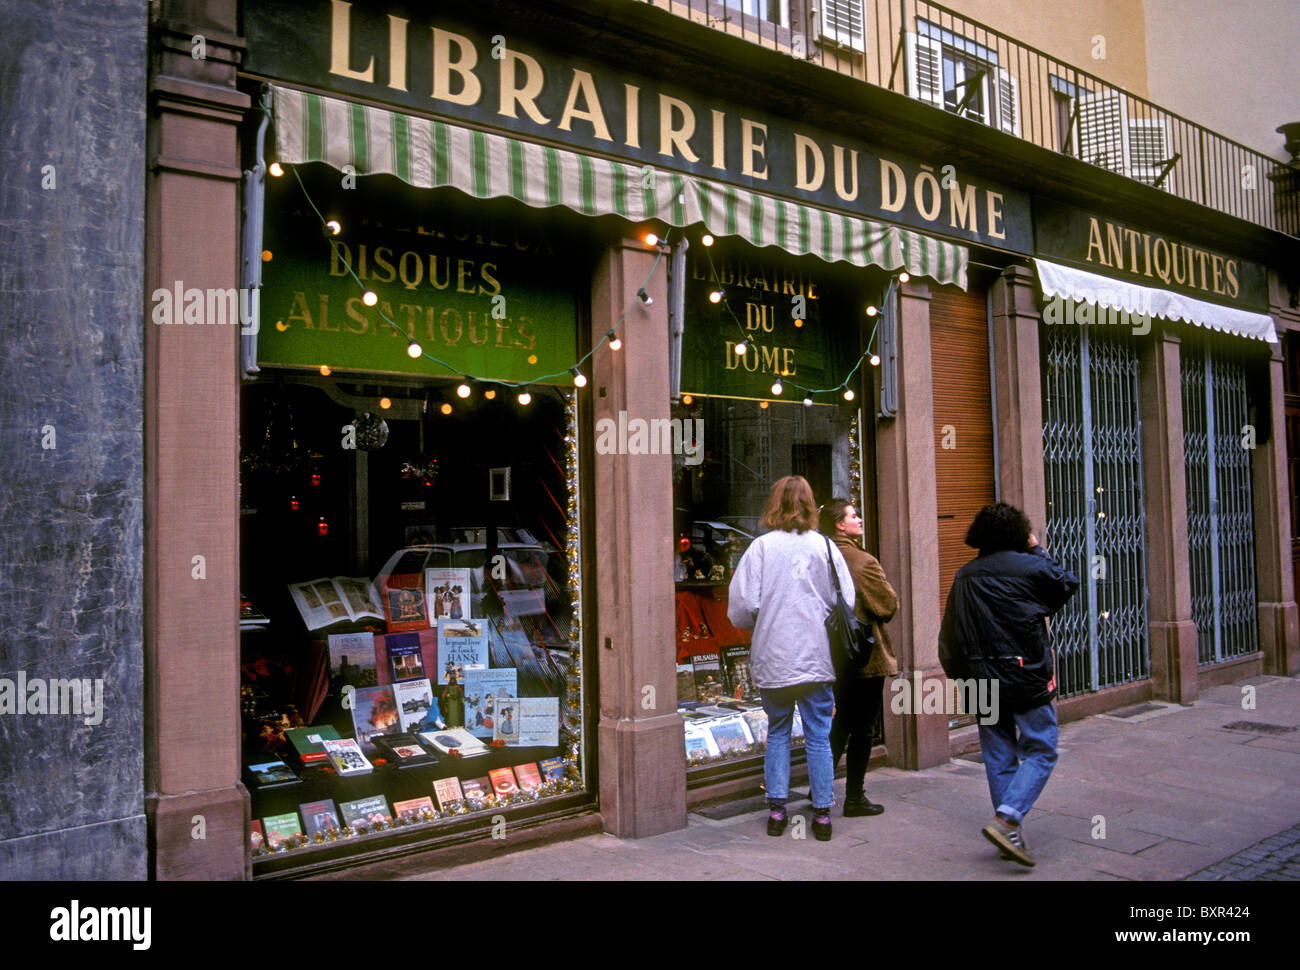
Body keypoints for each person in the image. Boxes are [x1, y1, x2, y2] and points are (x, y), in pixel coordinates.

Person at [938, 502, 1080, 868]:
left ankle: (1009, 829)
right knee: (1042, 748)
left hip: (981, 680)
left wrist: (961, 680)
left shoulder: (965, 575)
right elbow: (1066, 583)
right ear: (1019, 531)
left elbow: (949, 638)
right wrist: (1035, 547)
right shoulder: (1031, 568)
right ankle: (1007, 819)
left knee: (999, 755)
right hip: (1024, 675)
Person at [728, 476, 854, 842]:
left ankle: (777, 811)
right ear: (810, 504)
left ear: (775, 505)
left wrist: (766, 619)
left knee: (779, 733)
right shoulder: (825, 547)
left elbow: (743, 606)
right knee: (818, 736)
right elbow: (845, 600)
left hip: (774, 655)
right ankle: (822, 815)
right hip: (815, 656)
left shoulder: (761, 548)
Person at [820, 498, 898, 818]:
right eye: (853, 515)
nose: (859, 519)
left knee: (838, 724)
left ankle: (821, 787)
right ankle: (855, 797)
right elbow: (888, 605)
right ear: (840, 524)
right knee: (863, 727)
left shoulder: (818, 556)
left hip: (828, 654)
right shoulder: (862, 561)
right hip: (864, 655)